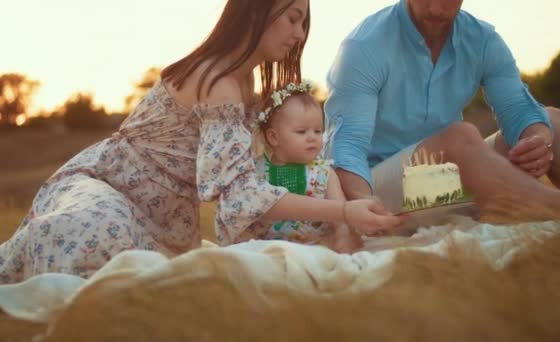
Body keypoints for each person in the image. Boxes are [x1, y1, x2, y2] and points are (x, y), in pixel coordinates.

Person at [0, 0, 403, 284]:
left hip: (162, 220)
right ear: (259, 9)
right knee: (93, 233)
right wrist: (345, 212)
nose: (299, 35)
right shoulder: (217, 79)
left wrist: (334, 215)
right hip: (108, 188)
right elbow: (240, 195)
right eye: (294, 19)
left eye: (303, 25)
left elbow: (245, 188)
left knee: (143, 277)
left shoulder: (243, 83)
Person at [323, 0, 560, 223]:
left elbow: (520, 109)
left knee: (552, 121)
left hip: (447, 183)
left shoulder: (483, 40)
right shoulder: (365, 46)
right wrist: (362, 208)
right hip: (374, 188)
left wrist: (536, 139)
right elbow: (346, 149)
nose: (435, 8)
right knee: (459, 140)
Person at [251, 80, 363, 253]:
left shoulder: (324, 173)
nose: (312, 137)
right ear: (274, 137)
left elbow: (340, 215)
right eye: (302, 131)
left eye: (318, 131)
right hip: (267, 249)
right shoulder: (257, 171)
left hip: (315, 248)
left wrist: (343, 236)